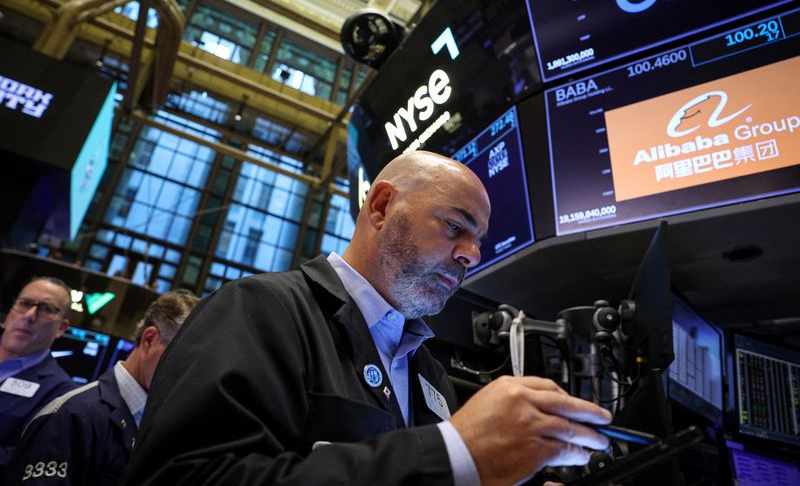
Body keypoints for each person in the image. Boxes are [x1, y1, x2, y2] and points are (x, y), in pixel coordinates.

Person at [124, 151, 611, 486]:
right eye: (455, 226)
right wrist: (454, 453)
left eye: (477, 240)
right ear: (381, 207)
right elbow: (186, 477)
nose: (470, 255)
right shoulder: (258, 309)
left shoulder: (428, 372)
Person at [5, 290, 200, 485]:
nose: (189, 374)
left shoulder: (165, 426)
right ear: (149, 339)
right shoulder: (72, 414)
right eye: (184, 359)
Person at [0, 277, 77, 468]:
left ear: (61, 327)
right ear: (9, 314)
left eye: (46, 309)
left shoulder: (62, 395)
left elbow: (18, 461)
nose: (29, 315)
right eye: (25, 303)